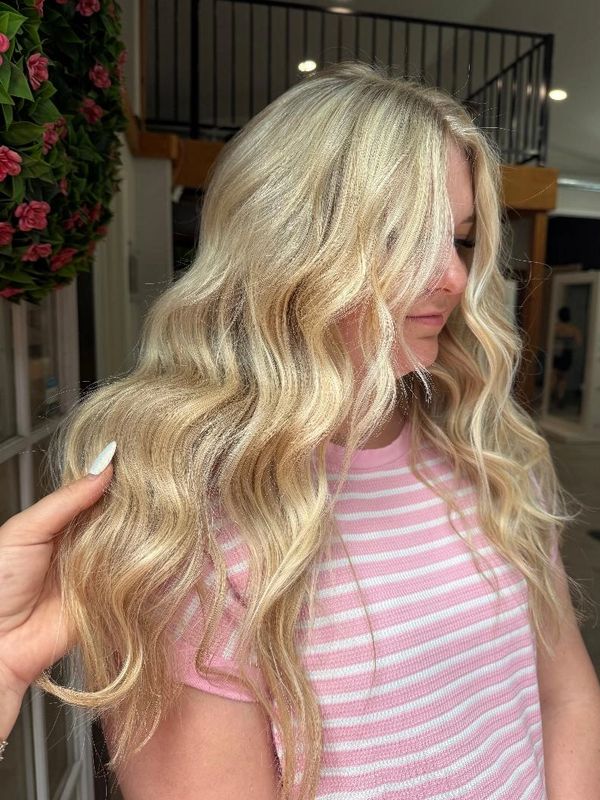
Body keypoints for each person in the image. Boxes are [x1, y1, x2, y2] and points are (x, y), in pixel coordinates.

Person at [1, 61, 600, 799]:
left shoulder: (491, 450)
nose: (450, 276)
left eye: (461, 239)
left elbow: (565, 698)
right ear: (286, 245)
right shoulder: (191, 521)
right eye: (399, 237)